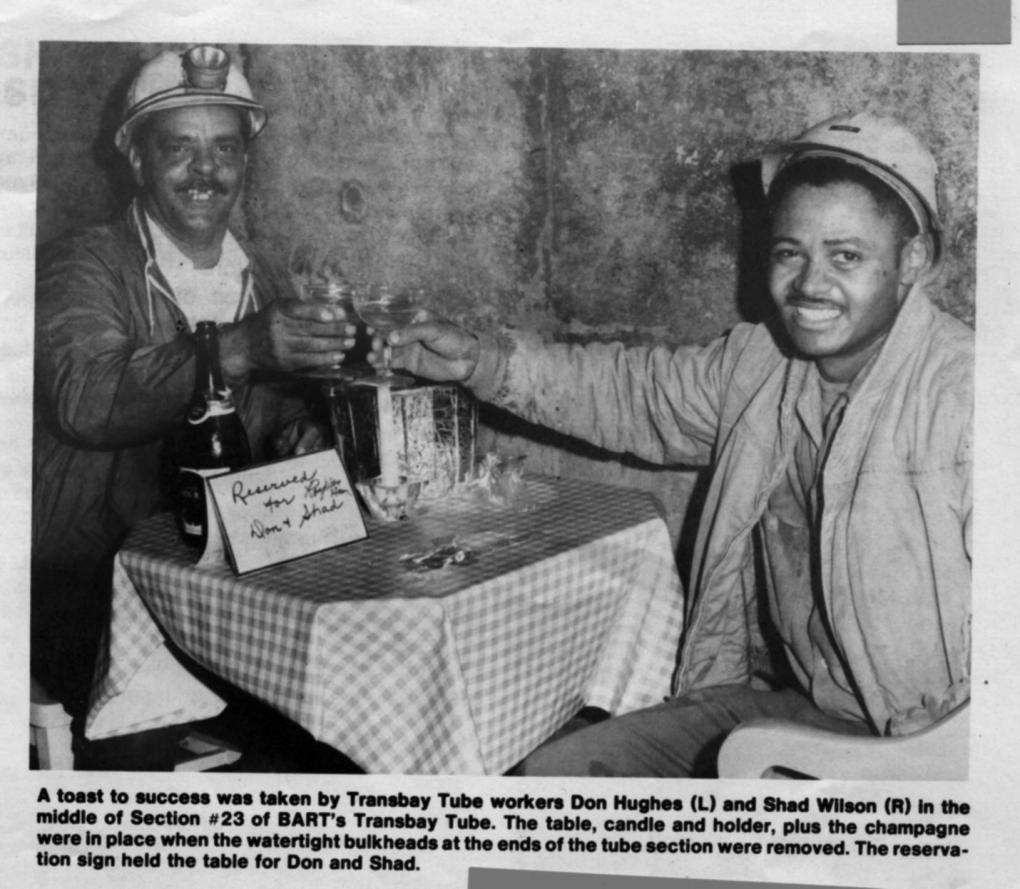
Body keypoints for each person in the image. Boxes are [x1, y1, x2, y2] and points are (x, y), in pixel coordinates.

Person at [382, 112, 972, 777]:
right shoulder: (761, 362)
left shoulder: (968, 395)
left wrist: (963, 734)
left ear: (913, 261)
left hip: (928, 749)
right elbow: (633, 392)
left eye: (846, 255)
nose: (809, 284)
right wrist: (481, 363)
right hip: (803, 711)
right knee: (554, 777)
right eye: (789, 252)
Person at [32, 45, 355, 722]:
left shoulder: (260, 276)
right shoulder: (81, 265)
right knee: (164, 723)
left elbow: (272, 424)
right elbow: (86, 399)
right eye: (180, 148)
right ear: (138, 157)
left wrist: (306, 434)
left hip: (218, 578)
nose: (206, 171)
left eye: (226, 149)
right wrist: (238, 347)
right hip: (92, 581)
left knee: (348, 686)